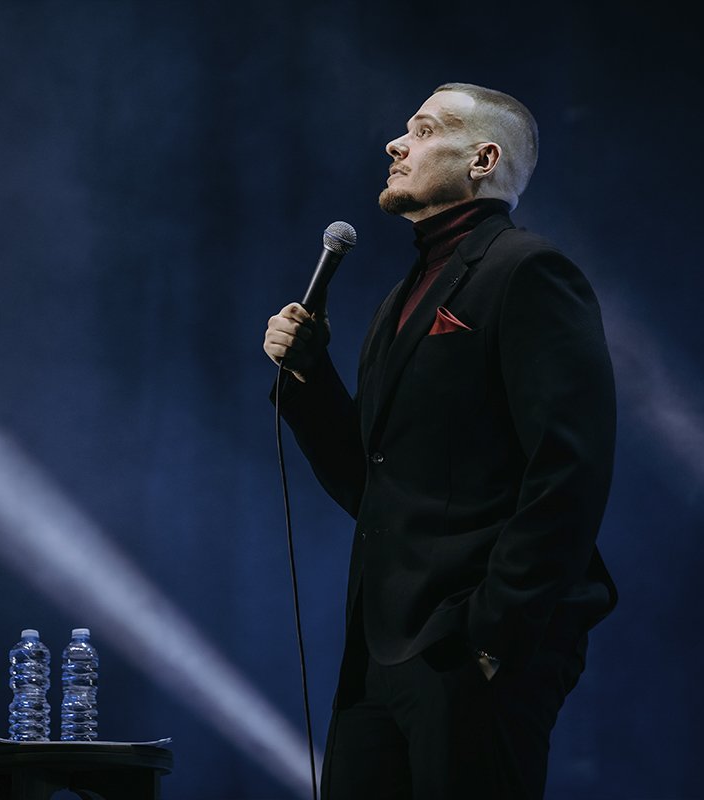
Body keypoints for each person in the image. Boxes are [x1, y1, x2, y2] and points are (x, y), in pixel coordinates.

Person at [263, 82, 617, 800]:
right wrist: (309, 377)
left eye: (425, 131)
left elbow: (569, 469)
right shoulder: (399, 299)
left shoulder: (527, 270)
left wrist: (493, 634)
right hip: (382, 650)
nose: (396, 144)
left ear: (483, 159)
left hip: (468, 643)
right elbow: (372, 483)